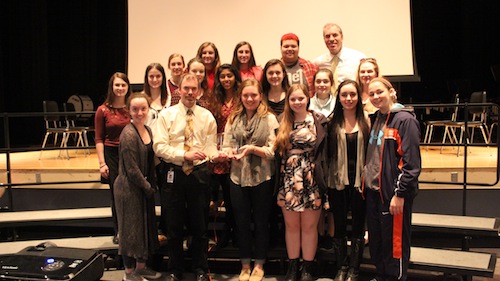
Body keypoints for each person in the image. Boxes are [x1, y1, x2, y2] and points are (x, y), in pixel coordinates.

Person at [153, 73, 225, 281]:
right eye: (186, 88)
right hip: (173, 172)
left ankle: (200, 269)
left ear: (199, 90)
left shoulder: (206, 116)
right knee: (174, 225)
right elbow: (159, 147)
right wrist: (183, 155)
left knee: (199, 225)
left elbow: (210, 146)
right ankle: (175, 269)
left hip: (199, 174)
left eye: (194, 89)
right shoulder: (167, 115)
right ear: (179, 90)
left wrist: (216, 155)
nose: (190, 92)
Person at [363, 77, 421, 281]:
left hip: (392, 194)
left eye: (380, 92)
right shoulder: (376, 118)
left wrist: (400, 194)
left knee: (394, 244)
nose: (376, 97)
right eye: (372, 94)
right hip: (373, 192)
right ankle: (381, 276)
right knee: (378, 242)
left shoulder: (405, 120)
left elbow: (411, 164)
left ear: (391, 91)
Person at [222, 78, 279, 281]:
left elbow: (274, 150)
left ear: (260, 96)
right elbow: (226, 144)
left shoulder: (270, 119)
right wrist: (228, 152)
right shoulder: (233, 118)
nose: (249, 98)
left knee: (262, 223)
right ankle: (245, 265)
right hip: (237, 177)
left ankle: (259, 265)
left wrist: (253, 149)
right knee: (242, 223)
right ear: (241, 97)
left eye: (253, 95)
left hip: (262, 178)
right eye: (246, 95)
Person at [274, 84, 328, 281]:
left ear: (308, 98)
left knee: (309, 227)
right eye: (293, 99)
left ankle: (307, 268)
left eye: (301, 99)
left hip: (311, 178)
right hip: (288, 178)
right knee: (291, 226)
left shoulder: (319, 121)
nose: (297, 102)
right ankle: (292, 266)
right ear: (288, 101)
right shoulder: (282, 121)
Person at [115, 92, 162, 281]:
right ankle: (129, 273)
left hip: (143, 188)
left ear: (148, 109)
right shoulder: (128, 133)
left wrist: (151, 185)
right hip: (129, 189)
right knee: (130, 231)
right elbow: (131, 168)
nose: (140, 112)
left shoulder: (148, 130)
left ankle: (141, 268)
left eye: (143, 108)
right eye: (135, 109)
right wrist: (147, 187)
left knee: (144, 229)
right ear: (129, 111)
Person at [328, 80, 370, 281]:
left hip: (360, 183)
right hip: (337, 183)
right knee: (340, 225)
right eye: (344, 95)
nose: (349, 99)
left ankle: (354, 269)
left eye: (352, 94)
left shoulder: (367, 121)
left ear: (358, 97)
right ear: (339, 97)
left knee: (358, 226)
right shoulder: (331, 122)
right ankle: (341, 267)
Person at [95, 72, 131, 244]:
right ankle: (119, 231)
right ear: (112, 87)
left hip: (130, 153)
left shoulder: (132, 107)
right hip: (111, 155)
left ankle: (132, 229)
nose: (120, 88)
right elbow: (99, 139)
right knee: (117, 194)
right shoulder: (103, 110)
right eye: (117, 85)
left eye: (123, 85)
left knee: (131, 194)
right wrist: (102, 164)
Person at [208, 64, 242, 248]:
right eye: (223, 76)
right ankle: (224, 234)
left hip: (236, 152)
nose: (226, 79)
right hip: (218, 152)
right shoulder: (215, 99)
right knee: (222, 198)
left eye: (230, 76)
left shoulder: (241, 97)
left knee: (233, 199)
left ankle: (234, 233)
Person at [313, 23, 366, 94]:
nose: (331, 39)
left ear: (342, 37)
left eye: (335, 35)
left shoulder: (358, 58)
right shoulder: (318, 63)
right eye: (327, 36)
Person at [143, 63, 169, 127]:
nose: (155, 79)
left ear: (163, 78)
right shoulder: (141, 99)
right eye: (151, 76)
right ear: (147, 78)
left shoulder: (170, 100)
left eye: (158, 76)